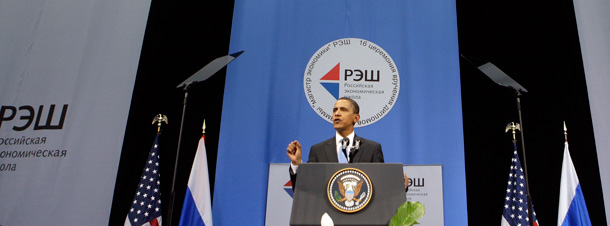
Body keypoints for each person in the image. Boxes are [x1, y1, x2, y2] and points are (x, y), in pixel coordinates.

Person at [286, 97, 407, 190]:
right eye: (335, 110)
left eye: (343, 110)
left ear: (356, 118)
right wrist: (296, 164)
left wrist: (400, 187)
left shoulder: (372, 149)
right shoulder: (318, 150)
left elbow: (380, 187)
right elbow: (303, 189)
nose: (337, 113)